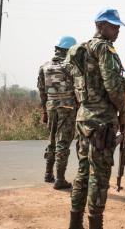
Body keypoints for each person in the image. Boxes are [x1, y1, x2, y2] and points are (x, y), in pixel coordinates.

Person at [67, 8, 125, 229]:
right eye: (113, 25)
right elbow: (112, 86)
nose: (118, 29)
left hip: (84, 118)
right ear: (100, 25)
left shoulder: (80, 49)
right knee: (99, 176)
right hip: (101, 121)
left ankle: (75, 223)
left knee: (83, 172)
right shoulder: (104, 49)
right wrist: (123, 110)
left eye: (118, 25)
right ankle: (95, 225)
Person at [37, 36, 77, 189]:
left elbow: (42, 91)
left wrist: (44, 111)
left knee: (52, 139)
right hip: (67, 108)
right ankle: (60, 179)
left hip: (51, 106)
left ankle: (48, 174)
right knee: (63, 143)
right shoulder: (70, 67)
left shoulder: (44, 67)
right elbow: (79, 89)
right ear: (69, 50)